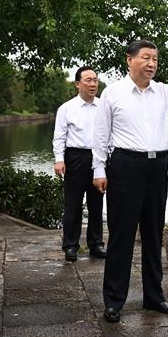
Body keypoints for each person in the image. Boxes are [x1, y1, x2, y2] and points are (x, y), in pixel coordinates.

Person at [92, 40, 168, 323]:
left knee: (154, 232)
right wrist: (99, 169)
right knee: (121, 233)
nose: (151, 63)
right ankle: (114, 300)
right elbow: (100, 135)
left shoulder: (162, 91)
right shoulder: (113, 94)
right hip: (125, 165)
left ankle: (154, 296)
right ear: (129, 60)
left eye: (155, 58)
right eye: (146, 57)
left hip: (157, 166)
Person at [53, 66, 106, 262]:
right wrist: (59, 159)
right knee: (73, 204)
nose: (93, 84)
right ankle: (70, 245)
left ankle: (96, 244)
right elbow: (59, 137)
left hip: (99, 159)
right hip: (75, 158)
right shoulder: (66, 108)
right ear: (77, 84)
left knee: (96, 204)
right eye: (88, 80)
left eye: (95, 80)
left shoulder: (103, 107)